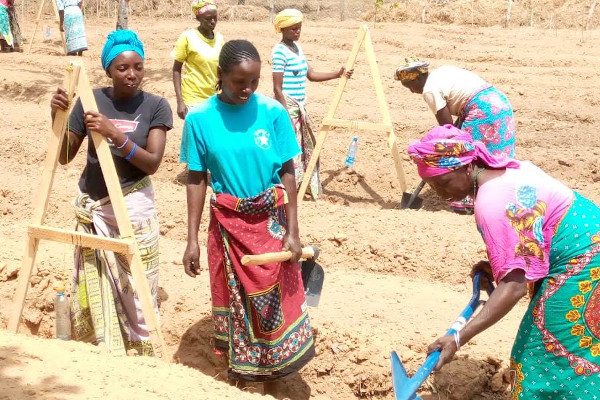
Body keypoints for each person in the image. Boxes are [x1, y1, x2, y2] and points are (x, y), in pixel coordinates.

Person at [407, 124, 600, 398]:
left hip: (585, 264)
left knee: (544, 352)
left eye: (442, 181)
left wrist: (459, 338)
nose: (439, 192)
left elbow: (514, 287)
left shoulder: (491, 201)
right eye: (432, 185)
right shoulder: (505, 171)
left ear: (464, 167)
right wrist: (498, 267)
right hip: (589, 248)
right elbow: (530, 235)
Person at [181, 39, 315, 393]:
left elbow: (288, 171)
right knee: (239, 300)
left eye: (254, 81)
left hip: (271, 220)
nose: (248, 89)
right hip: (228, 224)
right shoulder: (199, 119)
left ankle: (276, 370)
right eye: (240, 81)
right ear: (221, 75)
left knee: (272, 296)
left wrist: (293, 230)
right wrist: (191, 238)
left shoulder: (272, 113)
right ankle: (245, 374)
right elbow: (196, 178)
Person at [49, 30, 173, 356]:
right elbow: (63, 156)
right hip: (94, 208)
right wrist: (57, 117)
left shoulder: (156, 107)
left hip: (133, 208)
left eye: (138, 67)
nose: (131, 75)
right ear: (109, 70)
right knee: (96, 283)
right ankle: (104, 352)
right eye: (122, 68)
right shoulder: (91, 101)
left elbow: (152, 163)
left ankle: (145, 354)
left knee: (139, 288)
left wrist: (115, 134)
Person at [397, 58, 516, 213]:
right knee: (496, 154)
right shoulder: (441, 72)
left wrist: (436, 155)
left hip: (482, 110)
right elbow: (462, 105)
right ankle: (503, 195)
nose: (412, 91)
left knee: (467, 156)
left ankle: (467, 203)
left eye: (411, 86)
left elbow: (448, 131)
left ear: (419, 78)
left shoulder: (429, 90)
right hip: (498, 103)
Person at [271, 8, 353, 200]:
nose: (297, 32)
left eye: (299, 28)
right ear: (282, 30)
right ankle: (286, 190)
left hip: (301, 106)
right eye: (293, 29)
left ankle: (302, 186)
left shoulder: (298, 49)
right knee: (290, 150)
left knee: (306, 147)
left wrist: (337, 73)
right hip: (287, 107)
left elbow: (312, 75)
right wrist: (286, 117)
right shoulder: (279, 51)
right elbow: (277, 88)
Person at [172, 0, 224, 120]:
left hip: (215, 98)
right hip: (193, 98)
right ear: (198, 18)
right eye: (208, 18)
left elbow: (222, 65)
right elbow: (176, 69)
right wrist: (180, 101)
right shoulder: (188, 37)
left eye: (215, 18)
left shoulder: (220, 38)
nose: (212, 22)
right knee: (196, 136)